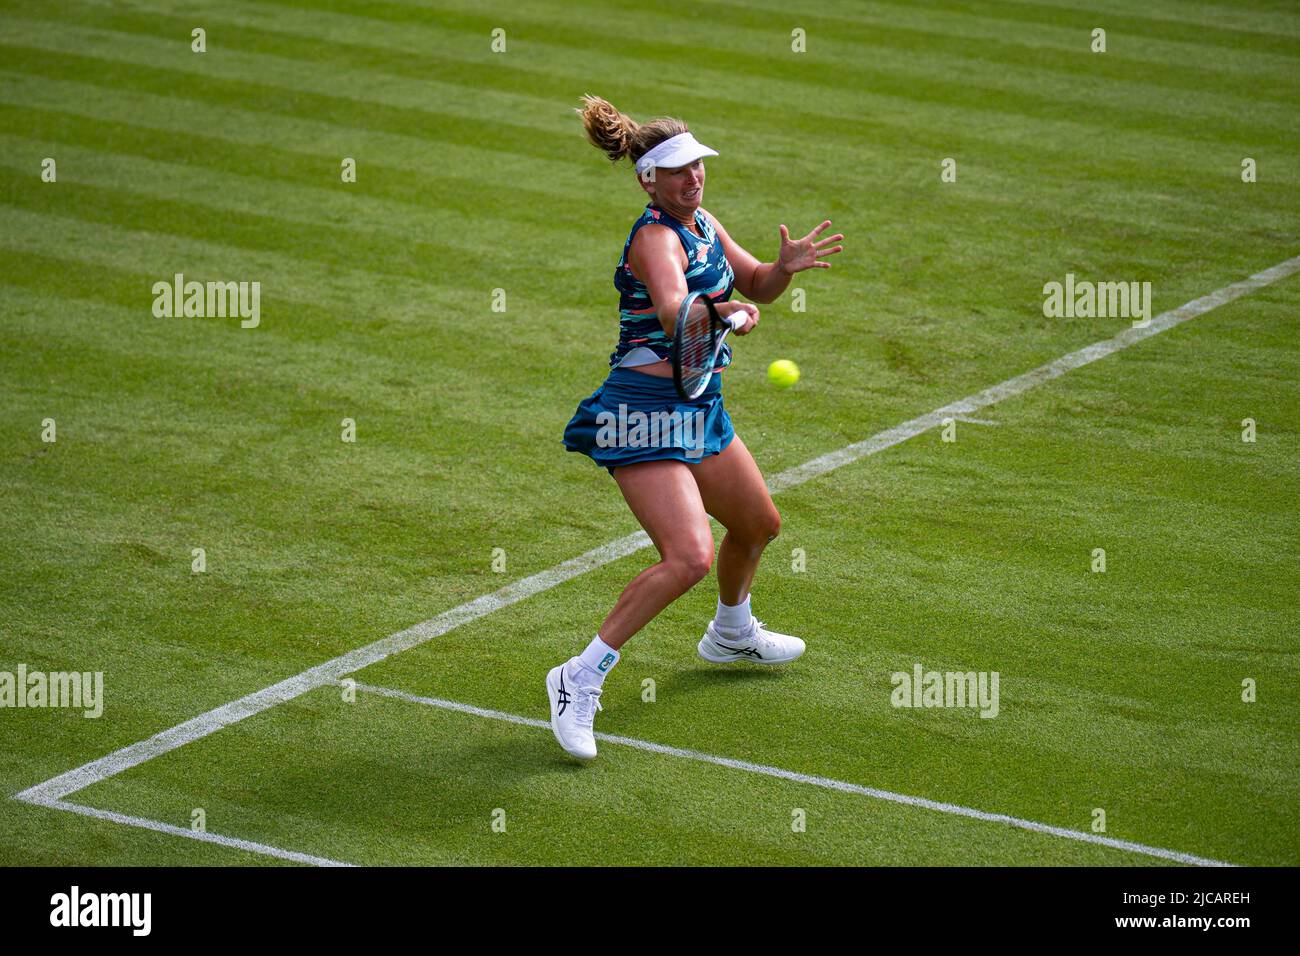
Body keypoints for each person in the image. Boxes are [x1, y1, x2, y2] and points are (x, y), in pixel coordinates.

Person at [548, 95, 844, 761]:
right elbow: (678, 309)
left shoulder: (705, 222)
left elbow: (758, 284)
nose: (695, 177)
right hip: (640, 415)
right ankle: (577, 678)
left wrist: (782, 271)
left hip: (696, 405)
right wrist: (724, 311)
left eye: (698, 166)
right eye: (678, 170)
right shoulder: (655, 238)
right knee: (688, 557)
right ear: (648, 179)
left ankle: (731, 631)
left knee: (759, 525)